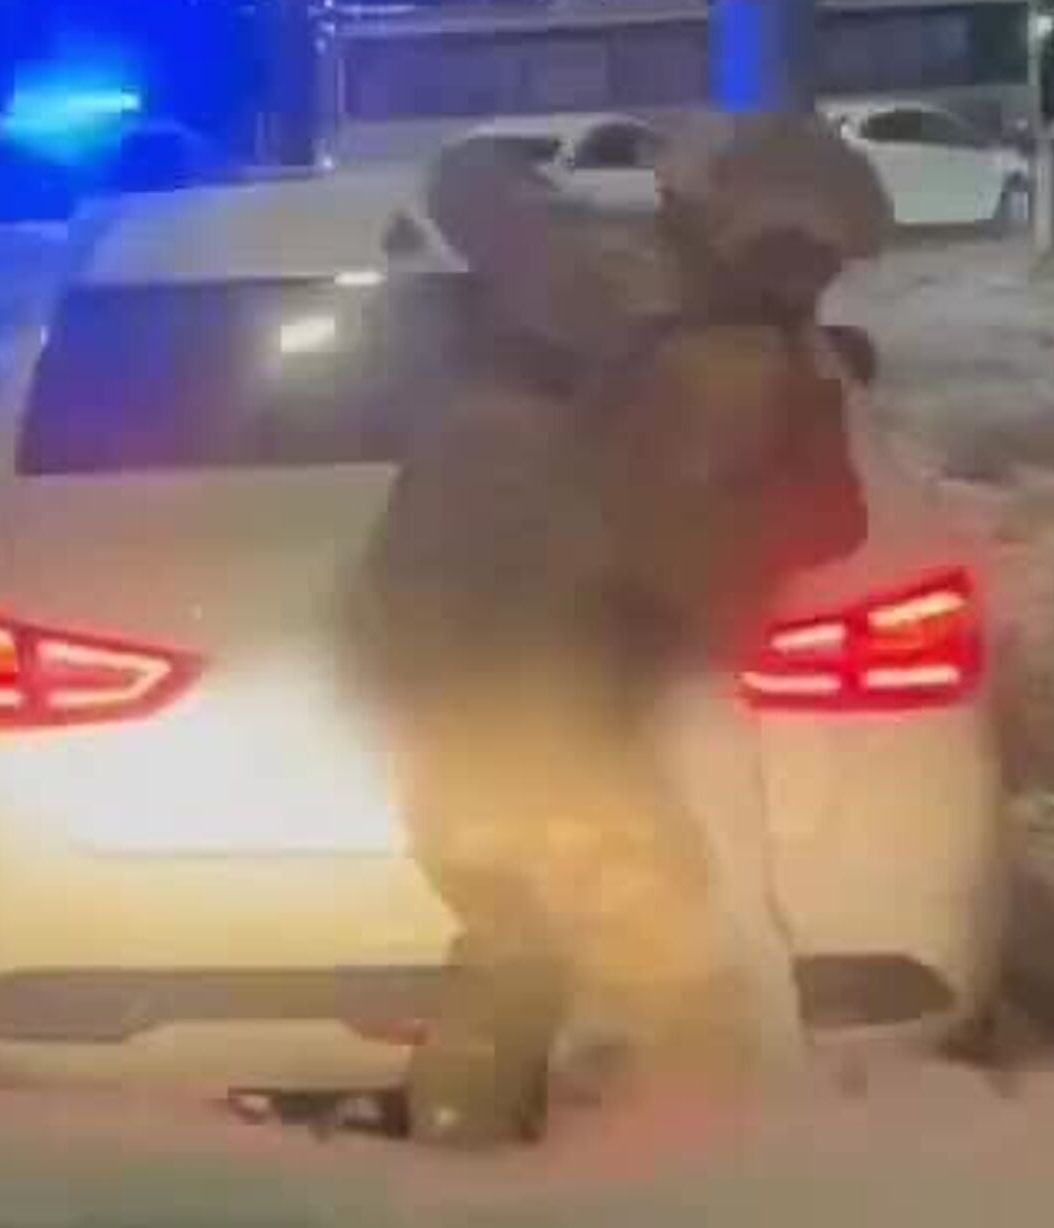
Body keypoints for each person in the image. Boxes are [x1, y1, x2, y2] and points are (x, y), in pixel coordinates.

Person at [350, 112, 889, 1146]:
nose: (810, 277)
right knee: (647, 948)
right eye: (796, 251)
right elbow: (756, 531)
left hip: (507, 674)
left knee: (544, 933)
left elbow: (466, 179)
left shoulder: (647, 300)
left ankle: (485, 1139)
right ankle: (627, 1155)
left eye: (822, 259)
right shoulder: (688, 337)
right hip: (531, 683)